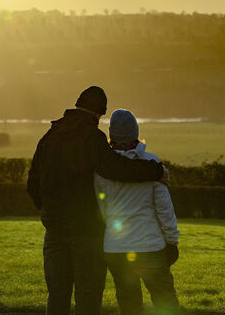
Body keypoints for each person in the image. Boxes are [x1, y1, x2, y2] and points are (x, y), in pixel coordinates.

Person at [27, 86, 167, 315]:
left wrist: (48, 211)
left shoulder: (49, 137)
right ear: (99, 113)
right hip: (87, 233)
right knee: (88, 295)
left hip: (54, 230)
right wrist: (156, 170)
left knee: (58, 294)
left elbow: (32, 184)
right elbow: (117, 169)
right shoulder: (92, 137)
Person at [95, 109, 180, 315]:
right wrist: (172, 240)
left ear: (111, 134)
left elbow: (102, 208)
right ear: (136, 131)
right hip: (151, 246)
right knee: (165, 300)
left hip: (116, 248)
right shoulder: (151, 163)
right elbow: (164, 209)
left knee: (129, 303)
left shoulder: (102, 169)